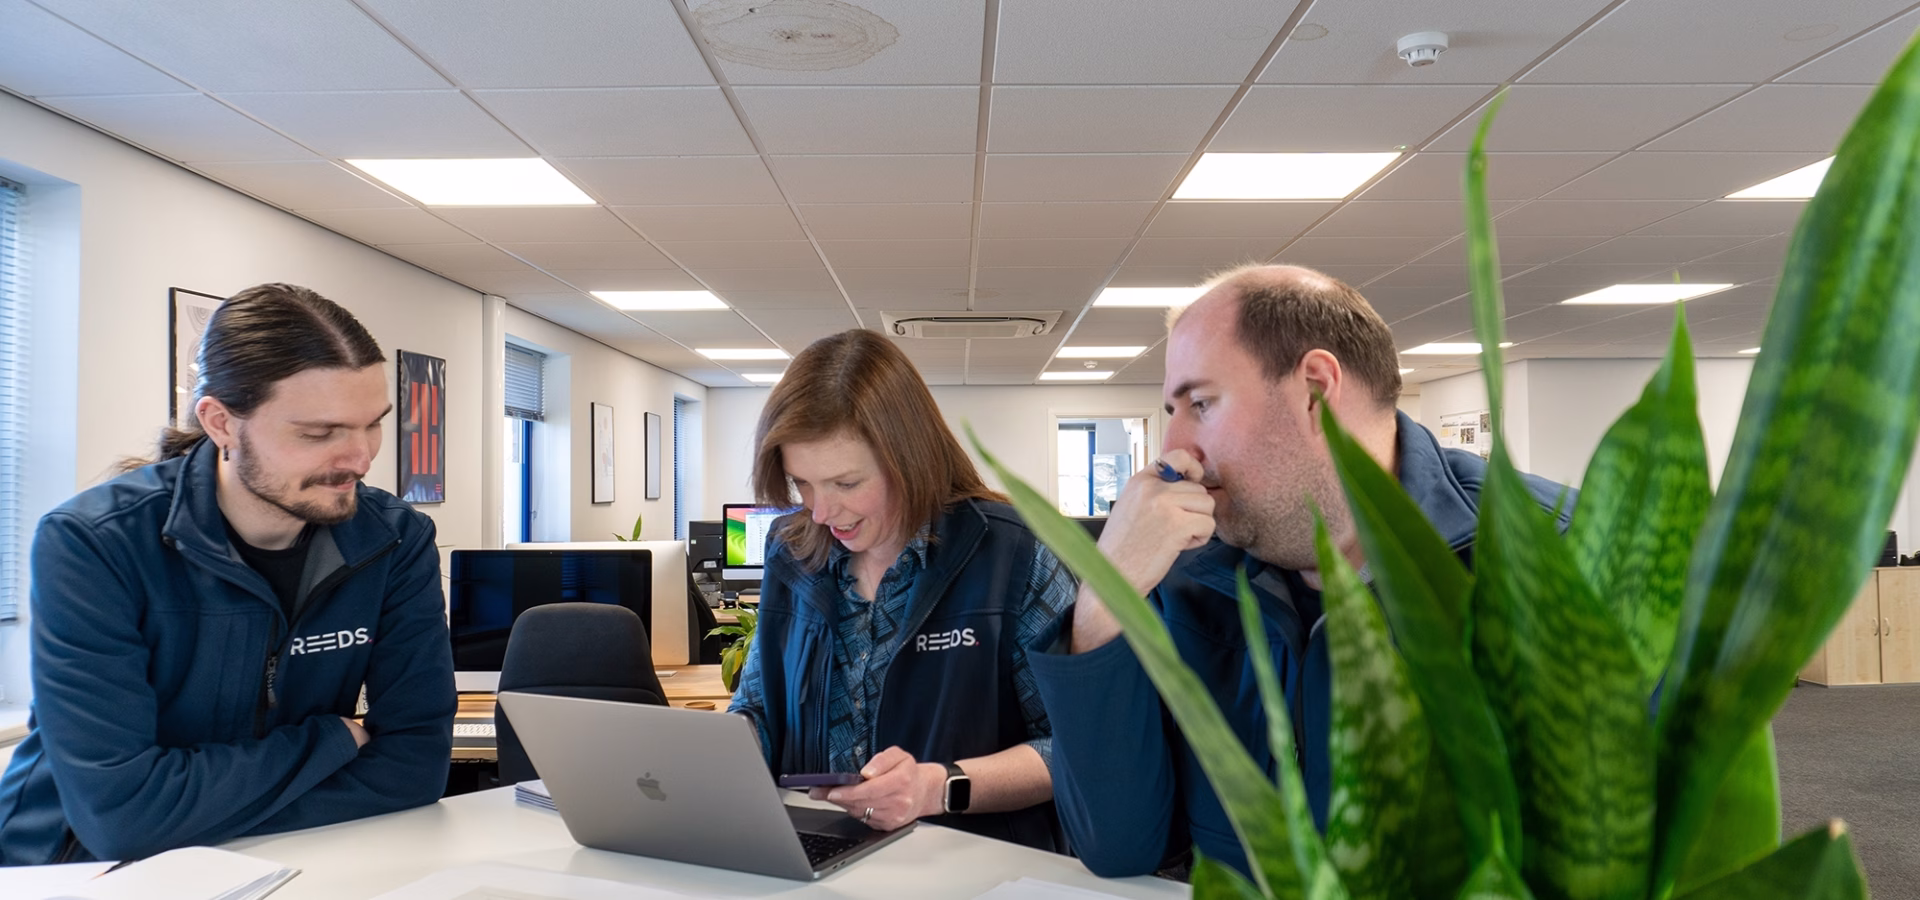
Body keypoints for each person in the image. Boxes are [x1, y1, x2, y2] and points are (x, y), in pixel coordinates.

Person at [1028, 264, 1573, 879]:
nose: (1175, 448)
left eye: (1201, 404)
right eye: (1171, 410)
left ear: (1315, 390)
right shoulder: (1186, 577)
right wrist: (1107, 598)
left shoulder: (1557, 558)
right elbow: (1119, 848)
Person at [0, 283, 455, 865]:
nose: (361, 458)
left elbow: (414, 768)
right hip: (81, 870)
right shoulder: (94, 543)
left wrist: (181, 810)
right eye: (319, 433)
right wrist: (334, 740)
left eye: (372, 425)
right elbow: (119, 817)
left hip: (286, 860)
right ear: (219, 423)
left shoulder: (394, 540)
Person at [727, 329, 1075, 851]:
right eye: (802, 484)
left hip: (969, 865)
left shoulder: (1015, 553)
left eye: (846, 484)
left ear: (910, 461)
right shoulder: (791, 550)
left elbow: (1079, 747)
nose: (821, 512)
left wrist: (938, 787)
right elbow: (758, 705)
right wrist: (723, 753)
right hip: (814, 858)